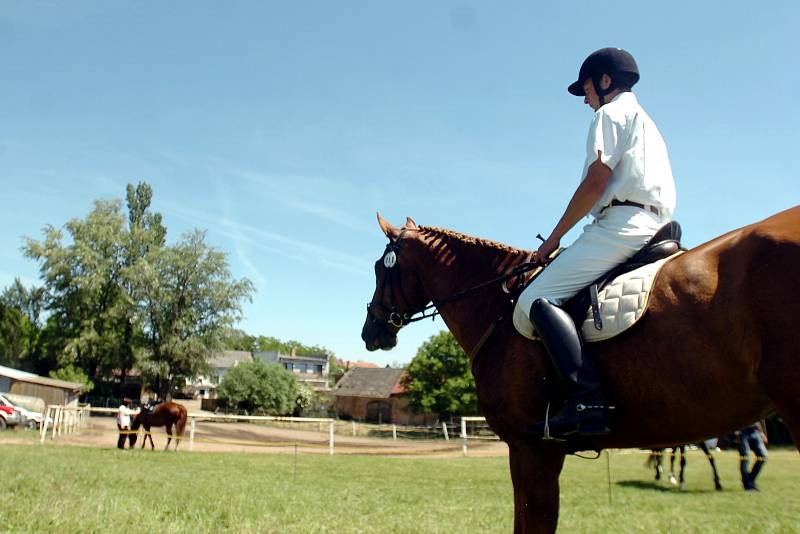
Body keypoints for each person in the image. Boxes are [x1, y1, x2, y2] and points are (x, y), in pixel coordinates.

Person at [519, 48, 677, 439]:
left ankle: (585, 403)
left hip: (623, 223)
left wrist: (552, 242)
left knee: (534, 302)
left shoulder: (609, 114)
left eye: (586, 89)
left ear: (605, 81)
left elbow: (595, 182)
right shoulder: (647, 122)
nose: (585, 99)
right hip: (657, 220)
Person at [738, 421, 768, 491]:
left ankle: (750, 480)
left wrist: (762, 432)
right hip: (742, 431)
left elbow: (761, 418)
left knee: (763, 457)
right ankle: (748, 484)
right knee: (745, 458)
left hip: (755, 430)